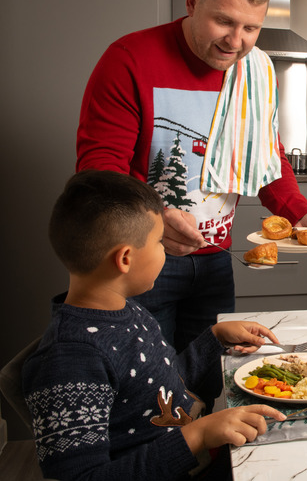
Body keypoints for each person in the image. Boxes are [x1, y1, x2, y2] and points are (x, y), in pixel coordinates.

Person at [76, 0, 307, 353]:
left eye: (252, 27)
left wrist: (299, 214)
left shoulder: (258, 71)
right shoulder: (130, 60)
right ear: (193, 3)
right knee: (148, 383)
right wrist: (156, 220)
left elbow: (268, 157)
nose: (237, 41)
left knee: (206, 375)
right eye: (224, 21)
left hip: (215, 258)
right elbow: (99, 172)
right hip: (141, 257)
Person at [22, 170, 285, 481]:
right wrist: (197, 436)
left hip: (201, 450)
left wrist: (213, 339)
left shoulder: (126, 309)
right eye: (160, 241)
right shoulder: (68, 360)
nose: (165, 250)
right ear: (125, 259)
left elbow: (160, 389)